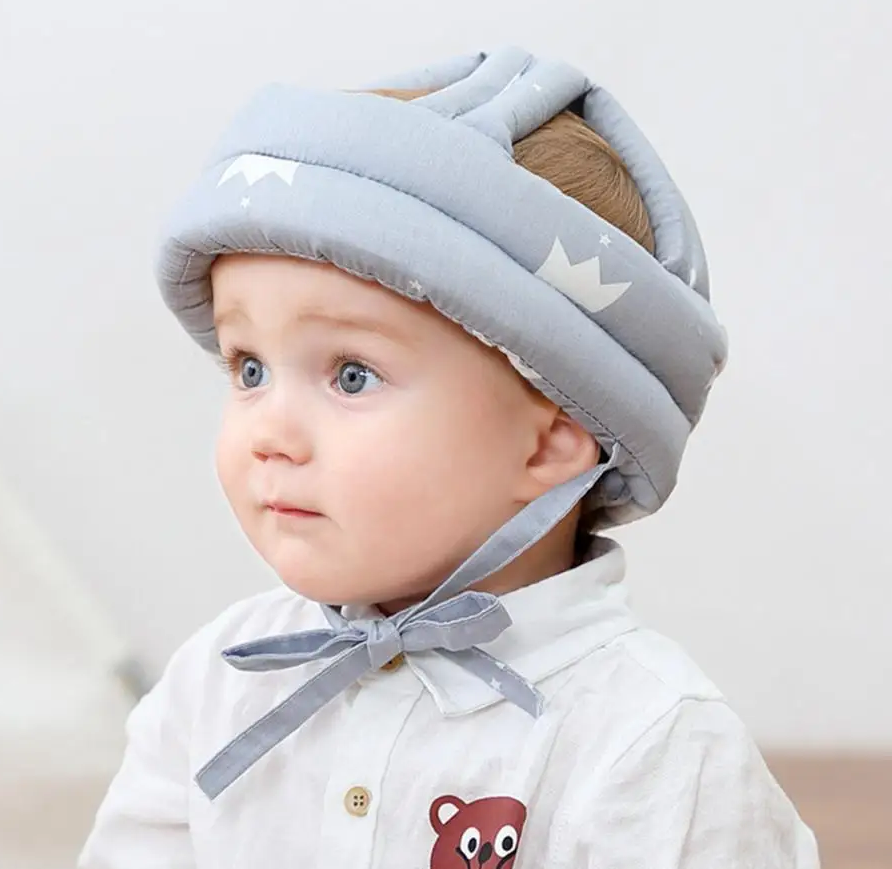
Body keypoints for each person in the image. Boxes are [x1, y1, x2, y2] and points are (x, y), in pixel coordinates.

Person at [79, 47, 819, 867]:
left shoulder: (645, 746)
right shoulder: (222, 679)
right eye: (248, 368)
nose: (269, 431)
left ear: (549, 437)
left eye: (350, 374)